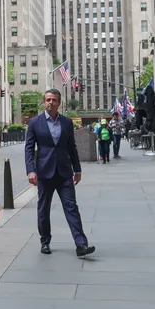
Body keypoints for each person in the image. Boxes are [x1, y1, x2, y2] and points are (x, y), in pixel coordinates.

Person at [25, 88, 94, 257]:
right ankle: (45, 241)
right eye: (48, 100)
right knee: (43, 209)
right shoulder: (35, 123)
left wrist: (77, 169)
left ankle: (81, 244)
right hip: (44, 172)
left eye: (54, 100)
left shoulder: (66, 122)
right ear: (44, 102)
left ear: (59, 103)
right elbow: (29, 149)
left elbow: (71, 147)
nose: (50, 103)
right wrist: (31, 171)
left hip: (64, 172)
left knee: (71, 207)